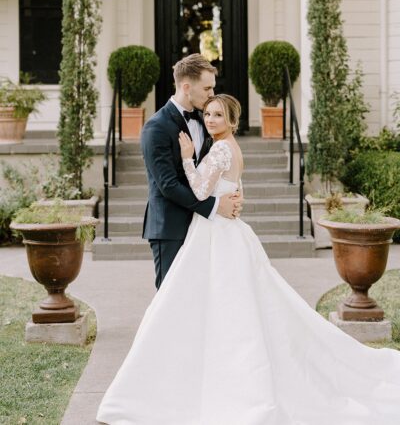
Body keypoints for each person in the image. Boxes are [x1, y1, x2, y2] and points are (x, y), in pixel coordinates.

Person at [97, 94, 400, 425]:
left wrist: (186, 158)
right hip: (227, 229)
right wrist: (231, 196)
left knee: (205, 303)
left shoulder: (221, 148)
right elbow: (236, 188)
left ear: (232, 121)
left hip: (214, 234)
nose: (210, 120)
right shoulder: (232, 148)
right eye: (208, 113)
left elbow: (199, 191)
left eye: (218, 115)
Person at [140, 54, 243, 289]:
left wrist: (235, 195)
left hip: (203, 229)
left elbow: (219, 167)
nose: (212, 95)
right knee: (171, 297)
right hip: (171, 227)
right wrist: (216, 207)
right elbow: (168, 185)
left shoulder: (206, 120)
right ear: (186, 87)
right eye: (207, 88)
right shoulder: (156, 128)